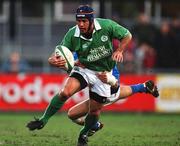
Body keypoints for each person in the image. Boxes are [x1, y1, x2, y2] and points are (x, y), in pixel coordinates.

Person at [26, 5, 158, 146]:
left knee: (96, 108)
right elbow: (61, 52)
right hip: (84, 68)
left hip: (104, 73)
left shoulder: (106, 26)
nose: (81, 24)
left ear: (91, 20)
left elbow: (127, 35)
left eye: (84, 21)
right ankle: (43, 120)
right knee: (65, 92)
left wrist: (119, 50)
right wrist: (52, 59)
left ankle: (84, 134)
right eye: (78, 21)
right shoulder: (73, 34)